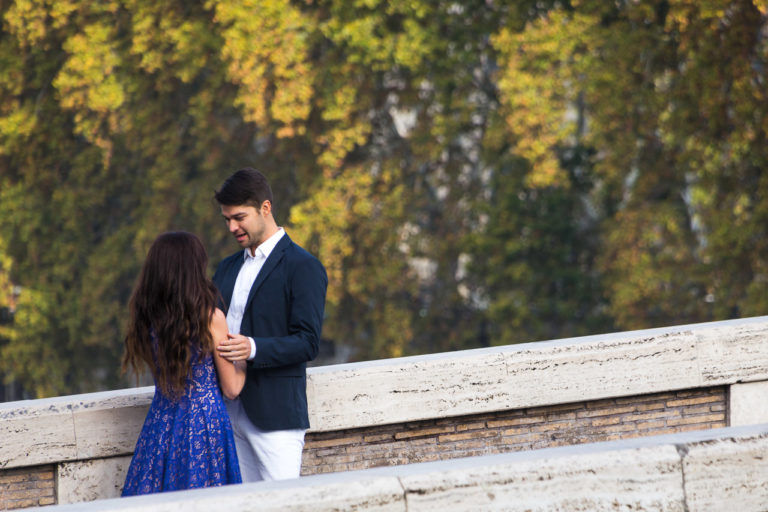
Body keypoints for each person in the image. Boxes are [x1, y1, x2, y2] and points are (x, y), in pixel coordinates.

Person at [213, 167, 327, 482]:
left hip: (275, 417)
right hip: (225, 413)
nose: (232, 227)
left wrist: (252, 347)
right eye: (226, 220)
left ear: (266, 208)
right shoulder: (226, 267)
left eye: (239, 217)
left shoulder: (303, 266)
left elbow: (307, 342)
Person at [121, 231, 245, 496]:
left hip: (160, 423)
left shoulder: (149, 320)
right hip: (203, 425)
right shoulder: (211, 318)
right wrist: (244, 357)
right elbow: (232, 388)